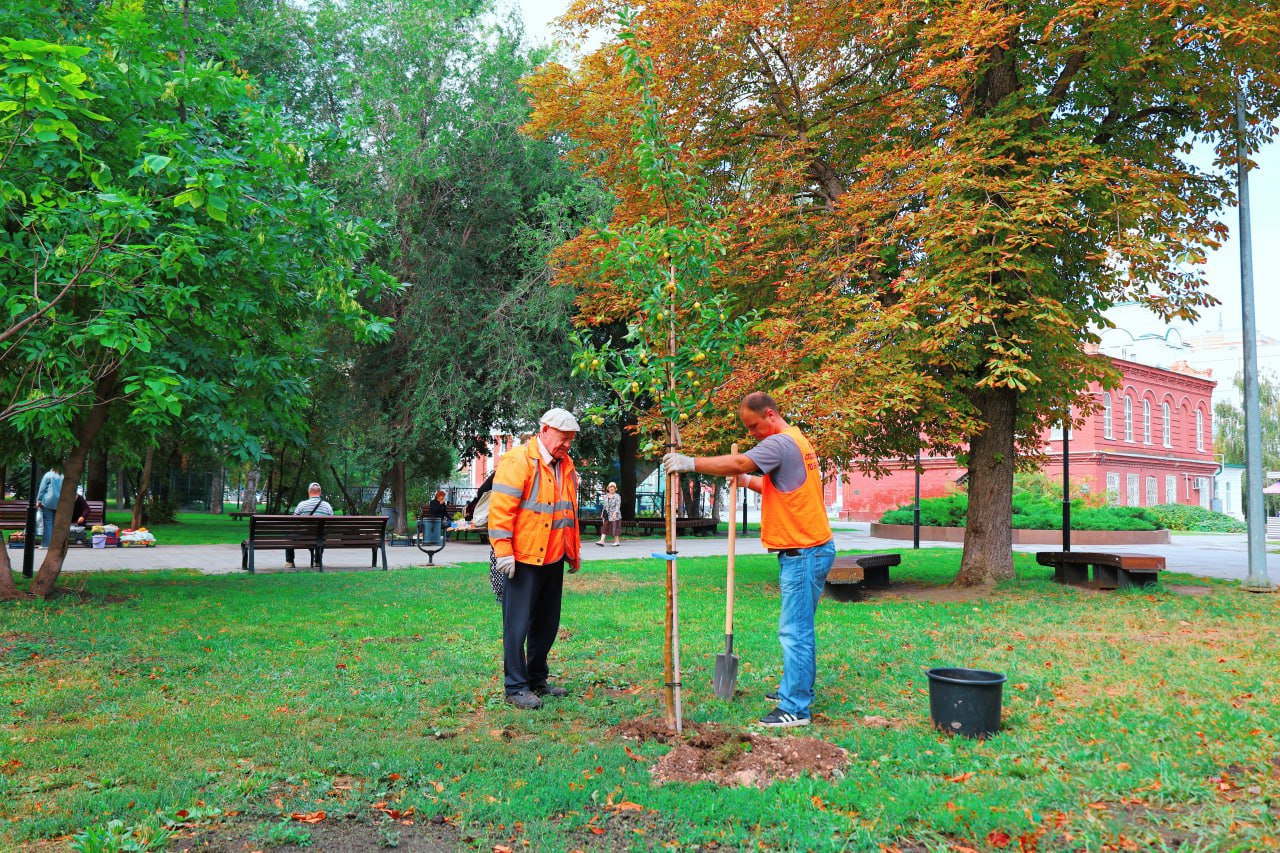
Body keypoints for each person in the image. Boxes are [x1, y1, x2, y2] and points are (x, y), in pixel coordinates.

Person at [663, 392, 835, 728]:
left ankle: (795, 707)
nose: (752, 434)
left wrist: (690, 462)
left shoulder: (780, 443)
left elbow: (741, 461)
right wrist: (746, 483)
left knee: (795, 632)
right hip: (811, 548)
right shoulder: (797, 440)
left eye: (754, 426)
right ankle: (796, 689)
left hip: (803, 552)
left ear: (770, 415)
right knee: (799, 629)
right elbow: (779, 488)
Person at [489, 408, 582, 710]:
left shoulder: (565, 465)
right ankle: (515, 686)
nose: (567, 445)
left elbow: (567, 512)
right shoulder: (518, 460)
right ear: (544, 430)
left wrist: (572, 551)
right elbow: (501, 510)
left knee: (546, 623)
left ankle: (536, 678)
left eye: (571, 440)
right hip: (523, 558)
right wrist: (503, 551)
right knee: (516, 626)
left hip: (553, 557)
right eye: (563, 438)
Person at [285, 482, 333, 568]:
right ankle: (318, 561)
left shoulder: (302, 505)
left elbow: (294, 522)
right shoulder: (327, 506)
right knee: (321, 534)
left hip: (303, 537)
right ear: (320, 492)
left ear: (309, 492)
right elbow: (330, 525)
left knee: (289, 534)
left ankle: (290, 562)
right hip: (320, 537)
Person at [36, 464, 64, 548]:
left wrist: (39, 500)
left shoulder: (48, 475)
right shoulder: (63, 476)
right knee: (57, 523)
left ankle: (46, 544)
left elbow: (42, 489)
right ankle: (57, 544)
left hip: (48, 501)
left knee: (48, 522)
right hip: (60, 502)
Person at [596, 482, 622, 547]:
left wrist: (615, 513)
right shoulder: (606, 496)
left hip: (615, 514)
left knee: (615, 528)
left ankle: (616, 541)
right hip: (607, 514)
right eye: (610, 487)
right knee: (604, 526)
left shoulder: (617, 496)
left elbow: (618, 506)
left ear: (615, 489)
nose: (611, 488)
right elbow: (604, 505)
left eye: (613, 487)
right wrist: (602, 512)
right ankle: (602, 541)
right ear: (608, 488)